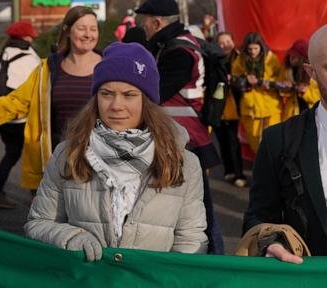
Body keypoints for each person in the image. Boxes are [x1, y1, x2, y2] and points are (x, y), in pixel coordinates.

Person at [24, 42, 208, 262]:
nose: (116, 105)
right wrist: (69, 236)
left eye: (129, 95)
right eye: (106, 93)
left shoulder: (183, 162)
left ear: (147, 101)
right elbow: (38, 223)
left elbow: (190, 241)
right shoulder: (68, 154)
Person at [242, 22, 327, 263]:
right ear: (311, 72)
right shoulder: (279, 140)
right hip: (310, 277)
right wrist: (271, 244)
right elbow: (257, 217)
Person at [0, 6, 101, 200]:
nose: (88, 34)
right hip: (56, 168)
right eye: (81, 28)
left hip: (99, 170)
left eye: (93, 29)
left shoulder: (109, 66)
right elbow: (15, 103)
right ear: (67, 30)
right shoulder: (48, 68)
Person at [135, 0, 223, 254]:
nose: (144, 27)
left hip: (187, 141)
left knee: (199, 211)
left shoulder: (178, 52)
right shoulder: (175, 45)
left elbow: (155, 93)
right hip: (181, 137)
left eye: (145, 21)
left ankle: (215, 262)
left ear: (157, 22)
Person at [0, 21, 41, 208]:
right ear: (25, 37)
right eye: (30, 35)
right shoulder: (29, 58)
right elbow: (35, 88)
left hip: (2, 116)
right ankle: (36, 199)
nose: (32, 38)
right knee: (34, 156)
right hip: (20, 117)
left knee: (12, 153)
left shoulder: (2, 53)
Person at [231, 32, 283, 154]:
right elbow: (234, 78)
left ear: (261, 47)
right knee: (255, 144)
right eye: (250, 49)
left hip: (270, 106)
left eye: (256, 48)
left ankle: (274, 171)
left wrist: (268, 82)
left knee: (273, 141)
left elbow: (281, 80)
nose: (253, 52)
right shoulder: (241, 60)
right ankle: (261, 169)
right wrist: (245, 79)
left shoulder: (271, 58)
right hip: (250, 108)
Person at [214, 32, 246, 187]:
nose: (224, 45)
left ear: (233, 41)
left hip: (234, 104)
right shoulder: (214, 59)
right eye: (221, 43)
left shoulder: (240, 58)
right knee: (222, 140)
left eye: (227, 41)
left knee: (233, 140)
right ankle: (229, 170)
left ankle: (239, 173)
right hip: (219, 104)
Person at [280, 39, 320, 121]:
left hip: (310, 114)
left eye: (295, 56)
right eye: (291, 54)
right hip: (292, 114)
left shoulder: (314, 72)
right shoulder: (287, 69)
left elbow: (319, 97)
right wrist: (285, 88)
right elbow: (282, 91)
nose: (291, 57)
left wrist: (305, 92)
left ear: (302, 58)